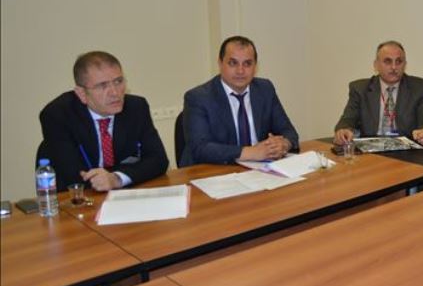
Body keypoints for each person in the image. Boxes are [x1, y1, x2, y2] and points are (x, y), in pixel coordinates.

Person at [39, 51, 169, 192]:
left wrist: (117, 178)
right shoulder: (58, 115)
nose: (114, 93)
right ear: (82, 93)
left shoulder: (136, 107)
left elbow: (159, 160)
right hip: (79, 198)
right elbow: (72, 176)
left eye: (118, 81)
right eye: (102, 86)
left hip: (125, 193)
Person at [181, 35, 299, 166]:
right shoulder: (198, 97)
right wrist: (251, 152)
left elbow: (289, 132)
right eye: (233, 63)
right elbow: (200, 148)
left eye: (247, 64)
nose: (240, 71)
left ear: (255, 66)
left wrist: (283, 144)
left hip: (259, 169)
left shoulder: (265, 89)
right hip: (212, 171)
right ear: (220, 63)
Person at [333, 40, 423, 147]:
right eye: (388, 61)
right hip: (370, 149)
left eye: (398, 61)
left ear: (405, 65)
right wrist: (343, 131)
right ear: (376, 65)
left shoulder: (419, 88)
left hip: (406, 150)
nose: (394, 67)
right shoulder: (360, 89)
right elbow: (347, 120)